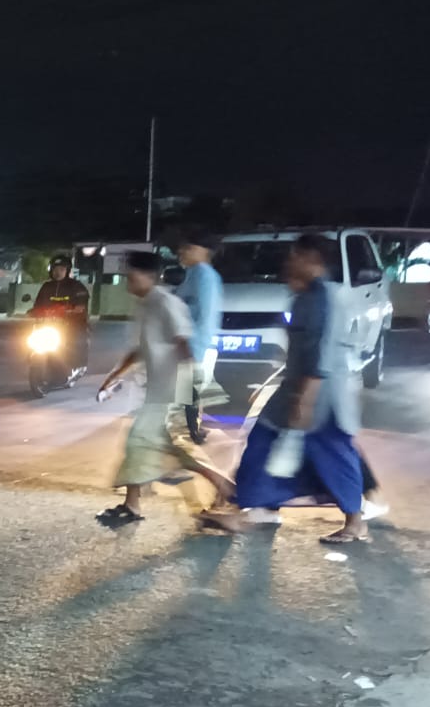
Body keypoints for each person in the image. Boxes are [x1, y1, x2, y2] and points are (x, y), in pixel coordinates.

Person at [203, 234, 368, 544]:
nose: (289, 261)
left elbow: (321, 351)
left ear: (312, 259)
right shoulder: (306, 294)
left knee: (334, 454)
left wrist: (305, 399)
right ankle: (255, 508)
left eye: (295, 256)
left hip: (321, 393)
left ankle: (355, 521)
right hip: (298, 385)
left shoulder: (324, 298)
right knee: (263, 440)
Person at [96, 251, 234, 524]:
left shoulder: (166, 303)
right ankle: (133, 504)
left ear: (149, 276)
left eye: (131, 276)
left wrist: (187, 394)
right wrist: (114, 376)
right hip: (159, 392)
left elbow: (184, 343)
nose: (128, 283)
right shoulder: (146, 305)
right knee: (149, 446)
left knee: (155, 445)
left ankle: (227, 489)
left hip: (171, 393)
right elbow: (141, 349)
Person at [174, 231, 224, 443]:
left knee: (188, 391)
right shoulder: (196, 273)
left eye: (187, 248)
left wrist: (195, 349)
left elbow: (204, 314)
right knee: (188, 391)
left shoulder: (203, 275)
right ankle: (193, 429)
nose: (182, 253)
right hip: (190, 344)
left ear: (202, 251)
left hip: (194, 345)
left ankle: (192, 432)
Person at [30, 254, 91, 371]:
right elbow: (38, 303)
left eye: (62, 269)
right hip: (49, 323)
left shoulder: (76, 286)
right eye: (55, 269)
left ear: (67, 271)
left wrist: (77, 307)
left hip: (72, 322)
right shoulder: (47, 286)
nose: (58, 272)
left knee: (76, 338)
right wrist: (33, 311)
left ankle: (77, 365)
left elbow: (82, 299)